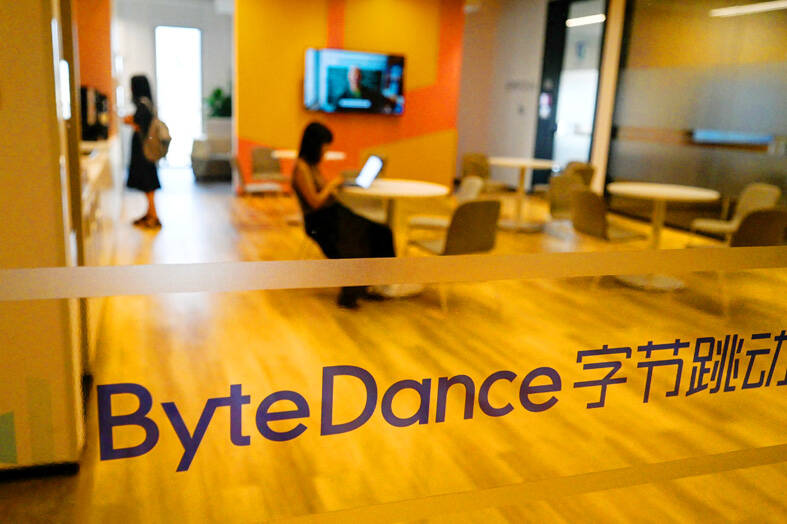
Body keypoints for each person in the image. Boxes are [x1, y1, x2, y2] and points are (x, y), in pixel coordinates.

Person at [292, 122, 396, 308]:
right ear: (315, 144)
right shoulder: (301, 168)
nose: (326, 151)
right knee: (356, 242)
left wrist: (336, 186)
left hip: (333, 214)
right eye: (325, 146)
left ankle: (372, 283)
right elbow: (314, 202)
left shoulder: (313, 166)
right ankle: (352, 291)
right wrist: (332, 185)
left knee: (380, 232)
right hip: (320, 221)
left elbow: (322, 191)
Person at [124, 75, 162, 228]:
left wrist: (129, 120)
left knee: (148, 182)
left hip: (143, 150)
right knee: (147, 182)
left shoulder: (143, 104)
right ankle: (149, 213)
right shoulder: (147, 103)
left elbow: (139, 124)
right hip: (145, 149)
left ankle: (153, 216)